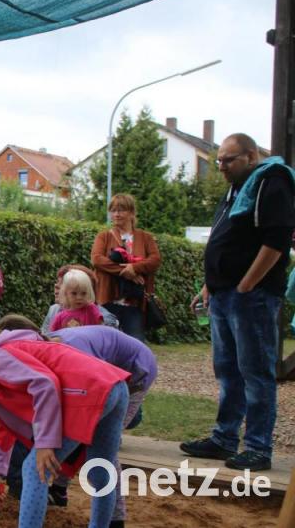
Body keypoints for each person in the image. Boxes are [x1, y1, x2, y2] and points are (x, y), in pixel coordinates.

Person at [0, 329, 129, 528]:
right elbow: (2, 426)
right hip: (114, 387)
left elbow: (45, 384)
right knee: (100, 471)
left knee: (34, 468)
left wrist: (45, 443)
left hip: (90, 392)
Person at [180, 133, 295, 472]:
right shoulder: (237, 189)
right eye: (218, 161)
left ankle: (258, 447)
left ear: (251, 155)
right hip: (222, 294)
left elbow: (277, 241)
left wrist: (247, 284)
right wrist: (209, 285)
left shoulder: (272, 182)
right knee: (227, 369)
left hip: (251, 298)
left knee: (256, 372)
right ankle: (224, 439)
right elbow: (224, 238)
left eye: (229, 160)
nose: (221, 167)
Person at [91, 193, 161, 341]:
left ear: (132, 213)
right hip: (107, 299)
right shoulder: (103, 236)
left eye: (121, 210)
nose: (116, 214)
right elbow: (97, 259)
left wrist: (135, 268)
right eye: (113, 210)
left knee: (136, 344)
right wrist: (125, 272)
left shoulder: (145, 237)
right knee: (107, 345)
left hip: (134, 302)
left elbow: (155, 260)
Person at [40, 265, 118, 336]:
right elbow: (46, 338)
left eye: (62, 284)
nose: (56, 287)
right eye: (57, 283)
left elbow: (107, 342)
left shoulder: (104, 317)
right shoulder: (54, 309)